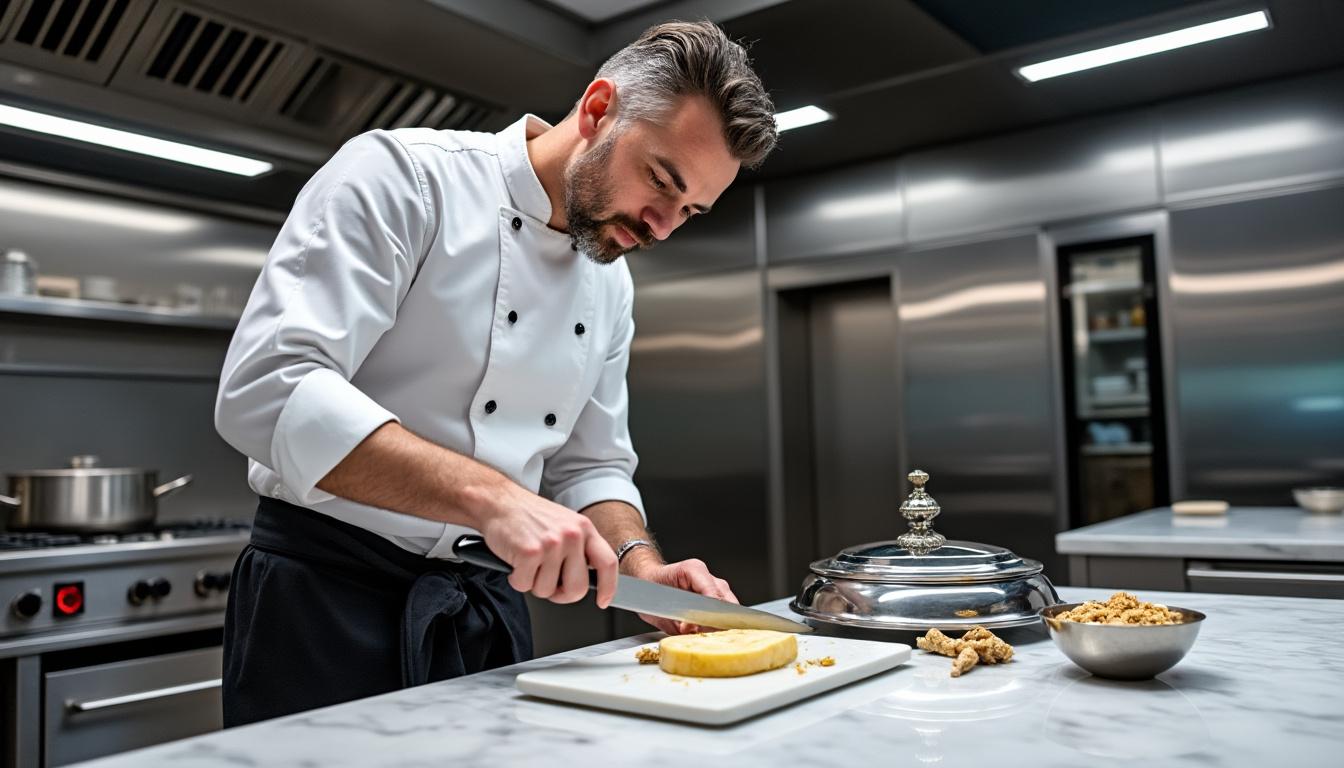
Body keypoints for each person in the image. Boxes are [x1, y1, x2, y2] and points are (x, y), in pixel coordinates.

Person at [213, 20, 778, 726]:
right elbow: (268, 389)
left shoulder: (610, 282)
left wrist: (641, 567)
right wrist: (496, 500)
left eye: (689, 211)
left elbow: (590, 463)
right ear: (599, 109)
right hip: (325, 603)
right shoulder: (407, 176)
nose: (662, 227)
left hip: (484, 611)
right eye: (662, 182)